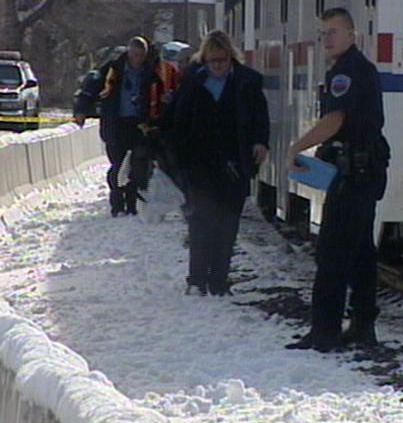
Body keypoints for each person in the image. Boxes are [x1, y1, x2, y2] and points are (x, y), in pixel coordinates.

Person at [285, 8, 390, 353]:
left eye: (333, 32)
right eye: (323, 33)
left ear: (351, 35)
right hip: (363, 171)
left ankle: (325, 331)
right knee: (360, 253)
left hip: (352, 175)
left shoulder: (345, 73)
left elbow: (335, 119)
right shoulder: (358, 69)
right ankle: (362, 326)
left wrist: (297, 146)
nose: (327, 39)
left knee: (332, 254)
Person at [167, 30, 270, 296]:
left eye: (223, 61)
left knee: (227, 223)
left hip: (234, 162)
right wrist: (176, 156)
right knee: (201, 221)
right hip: (199, 162)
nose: (218, 66)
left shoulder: (248, 82)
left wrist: (260, 142)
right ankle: (197, 278)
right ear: (205, 59)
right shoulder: (193, 80)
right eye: (213, 61)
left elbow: (260, 117)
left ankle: (220, 279)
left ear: (230, 57)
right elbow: (180, 119)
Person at [73, 36, 179, 217]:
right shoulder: (113, 70)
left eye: (141, 55)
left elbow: (169, 94)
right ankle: (117, 202)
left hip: (141, 126)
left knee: (138, 165)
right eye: (134, 55)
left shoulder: (154, 73)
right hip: (116, 125)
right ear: (128, 53)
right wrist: (81, 110)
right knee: (117, 165)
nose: (137, 59)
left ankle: (132, 202)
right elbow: (91, 89)